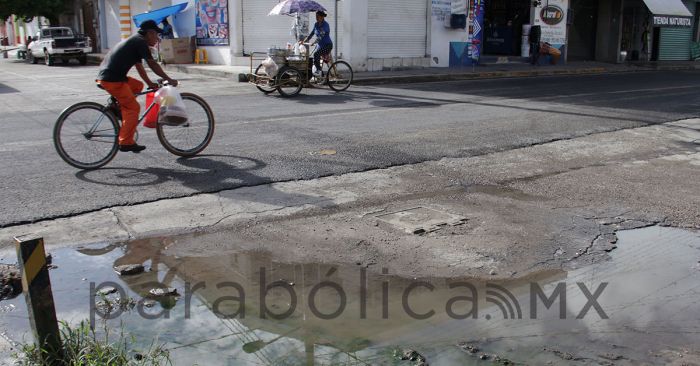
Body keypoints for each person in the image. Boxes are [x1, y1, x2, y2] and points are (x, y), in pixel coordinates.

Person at [96, 20, 178, 153]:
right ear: (150, 33)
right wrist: (168, 79)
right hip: (113, 80)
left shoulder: (136, 41)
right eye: (156, 35)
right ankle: (126, 142)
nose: (157, 39)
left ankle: (118, 108)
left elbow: (139, 66)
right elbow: (152, 64)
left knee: (137, 85)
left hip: (109, 76)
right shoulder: (140, 42)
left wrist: (149, 83)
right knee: (133, 107)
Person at [300, 10, 333, 77]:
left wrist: (314, 42)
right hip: (320, 46)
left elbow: (321, 35)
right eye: (316, 16)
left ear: (322, 17)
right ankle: (321, 74)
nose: (316, 18)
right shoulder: (316, 24)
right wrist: (304, 41)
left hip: (327, 45)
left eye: (318, 16)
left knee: (316, 54)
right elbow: (312, 34)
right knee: (313, 58)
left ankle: (319, 70)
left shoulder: (325, 25)